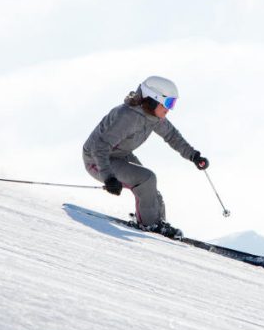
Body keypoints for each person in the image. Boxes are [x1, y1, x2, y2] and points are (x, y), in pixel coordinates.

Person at [82, 76, 209, 238]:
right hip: (97, 160)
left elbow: (171, 135)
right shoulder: (126, 116)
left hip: (119, 155)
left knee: (152, 191)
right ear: (154, 99)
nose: (170, 109)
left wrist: (194, 156)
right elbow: (100, 147)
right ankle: (150, 224)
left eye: (173, 104)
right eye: (169, 103)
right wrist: (108, 177)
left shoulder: (153, 117)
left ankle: (158, 224)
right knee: (147, 179)